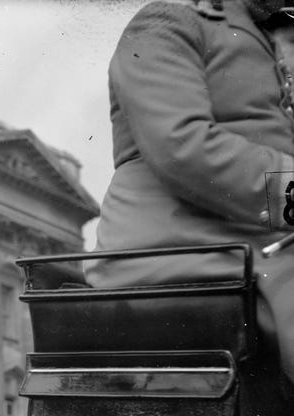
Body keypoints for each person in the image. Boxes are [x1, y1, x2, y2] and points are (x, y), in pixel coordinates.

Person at [87, 0, 294, 383]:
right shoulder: (165, 21)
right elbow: (182, 146)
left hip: (255, 241)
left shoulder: (275, 37)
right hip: (181, 245)